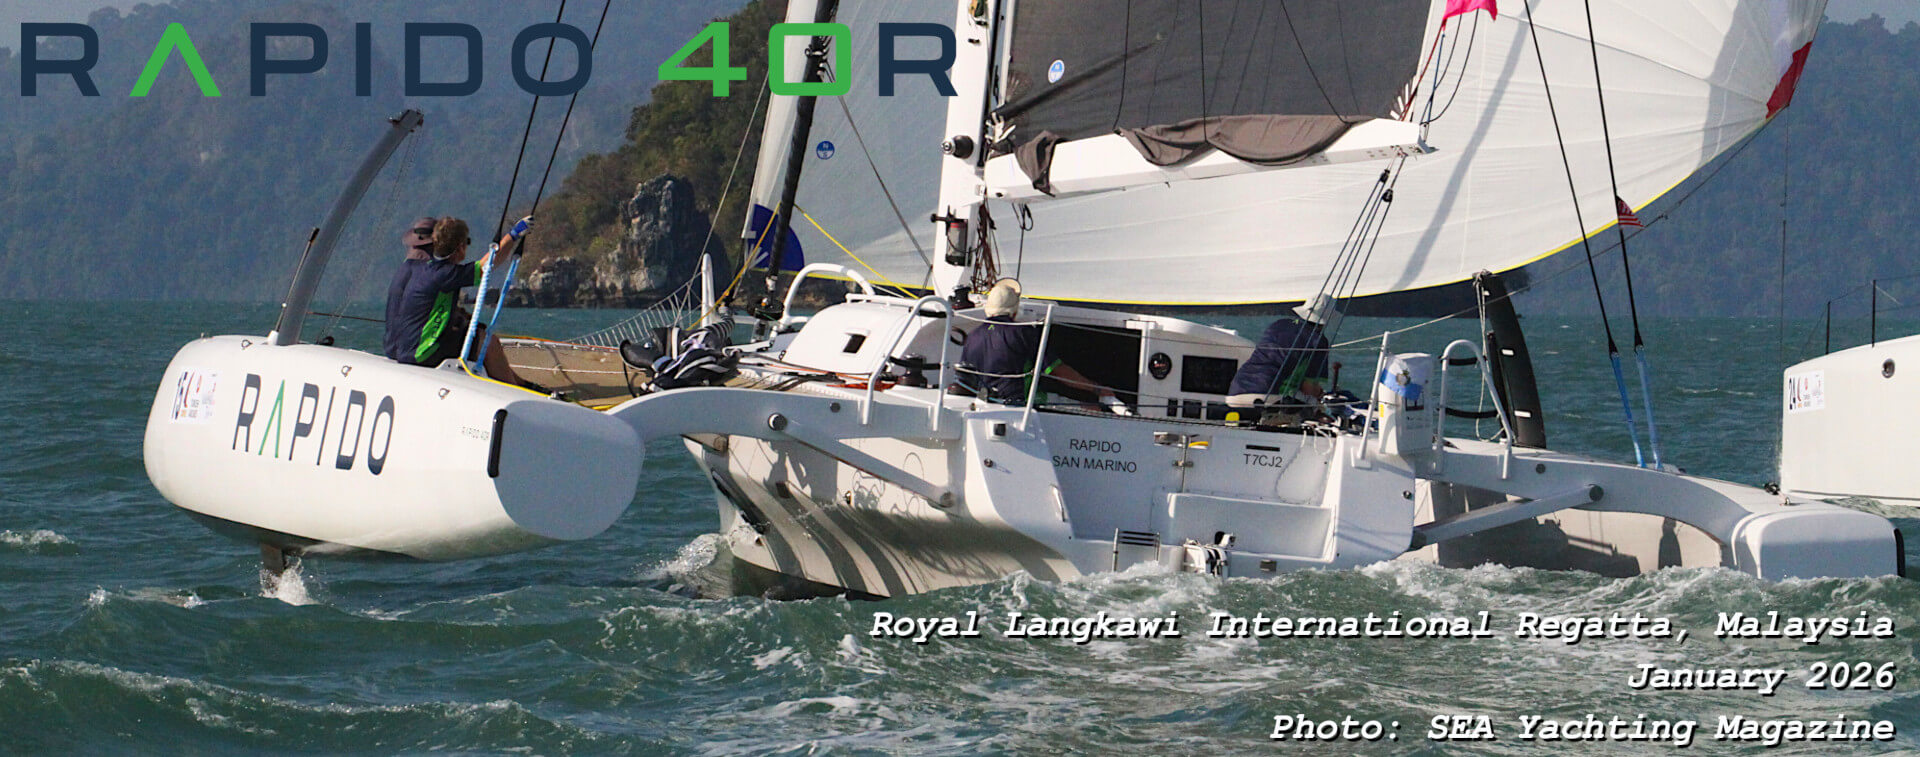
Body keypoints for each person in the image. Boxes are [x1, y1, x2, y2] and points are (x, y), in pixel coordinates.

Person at [383, 216, 535, 389]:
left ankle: (522, 383)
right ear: (461, 247)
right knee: (487, 341)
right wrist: (514, 234)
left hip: (405, 350)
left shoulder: (420, 269)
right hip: (424, 352)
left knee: (473, 332)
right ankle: (514, 389)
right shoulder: (446, 274)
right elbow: (488, 264)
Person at [958, 279, 1120, 409]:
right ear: (1015, 311)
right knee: (1092, 409)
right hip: (1022, 401)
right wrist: (1096, 388)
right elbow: (1056, 371)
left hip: (985, 403)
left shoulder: (972, 337)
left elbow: (966, 378)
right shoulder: (1022, 332)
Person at [1227, 292, 1339, 413]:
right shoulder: (1318, 340)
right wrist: (1319, 393)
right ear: (1327, 319)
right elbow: (1307, 388)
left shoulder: (1278, 324)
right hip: (1270, 395)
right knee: (1312, 404)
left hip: (1236, 393)